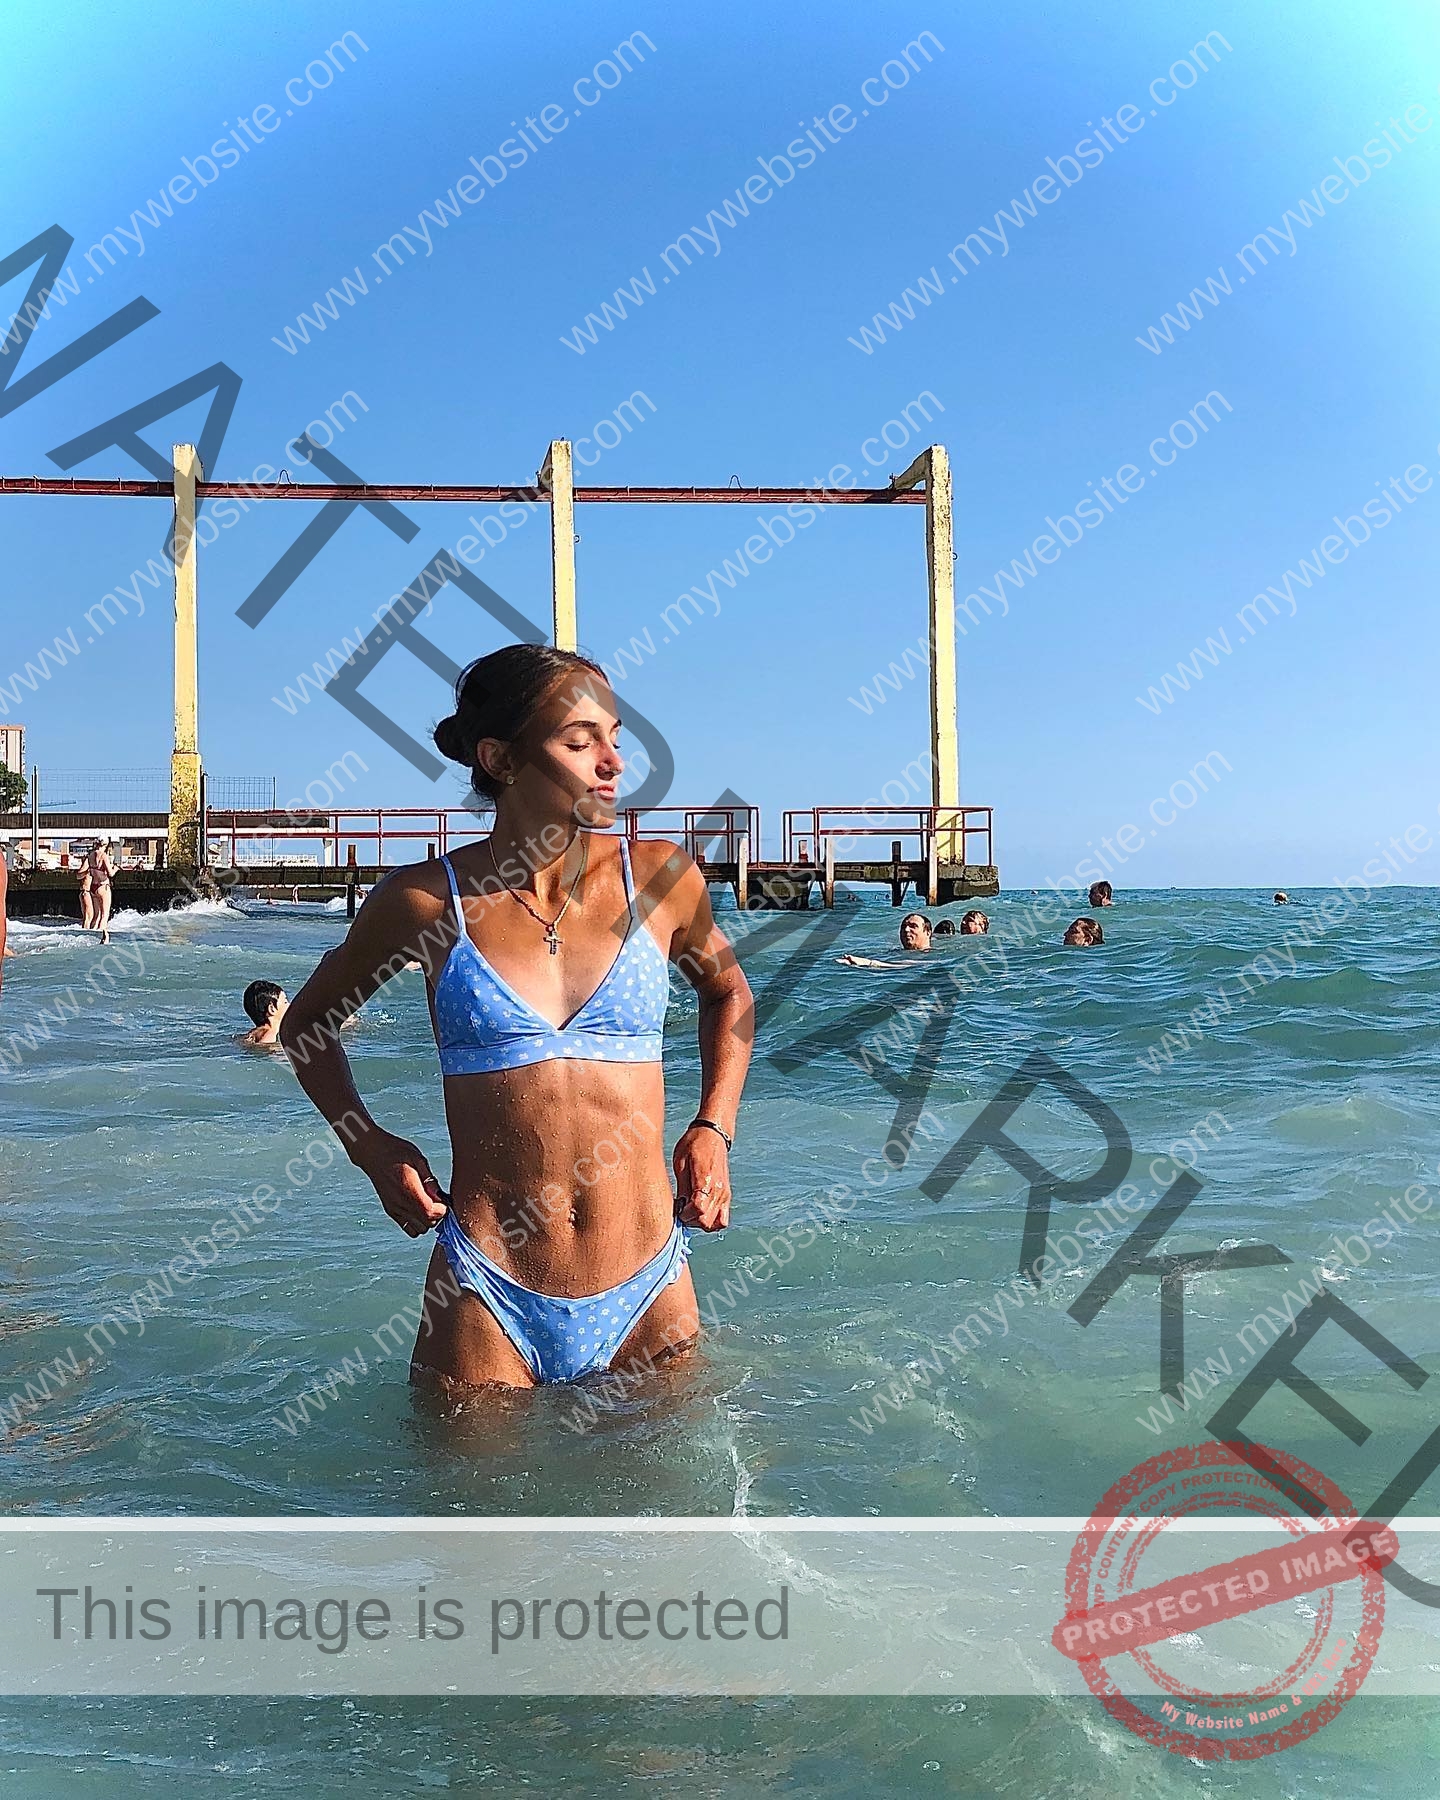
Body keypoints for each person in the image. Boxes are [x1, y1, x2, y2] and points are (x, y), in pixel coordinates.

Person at [279, 644, 752, 1392]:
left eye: (616, 737)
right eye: (579, 741)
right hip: (485, 1295)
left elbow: (729, 994)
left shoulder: (661, 879)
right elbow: (306, 1024)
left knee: (682, 1509)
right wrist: (367, 1147)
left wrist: (713, 1126)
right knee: (472, 1512)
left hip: (650, 1288)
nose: (613, 763)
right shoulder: (427, 903)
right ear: (500, 759)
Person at [837, 912, 933, 969]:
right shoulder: (892, 953)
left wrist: (868, 963)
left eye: (913, 926)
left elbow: (914, 966)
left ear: (928, 932)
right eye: (903, 927)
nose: (906, 930)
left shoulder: (935, 956)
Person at [238, 980, 289, 1049]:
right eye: (285, 1002)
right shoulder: (271, 1035)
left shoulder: (252, 1034)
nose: (289, 1005)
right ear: (272, 1009)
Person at [86, 840, 116, 943]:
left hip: (93, 886)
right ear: (105, 844)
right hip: (103, 886)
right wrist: (116, 868)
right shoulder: (103, 856)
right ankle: (103, 937)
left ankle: (90, 936)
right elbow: (110, 873)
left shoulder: (90, 855)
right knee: (104, 914)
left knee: (96, 915)